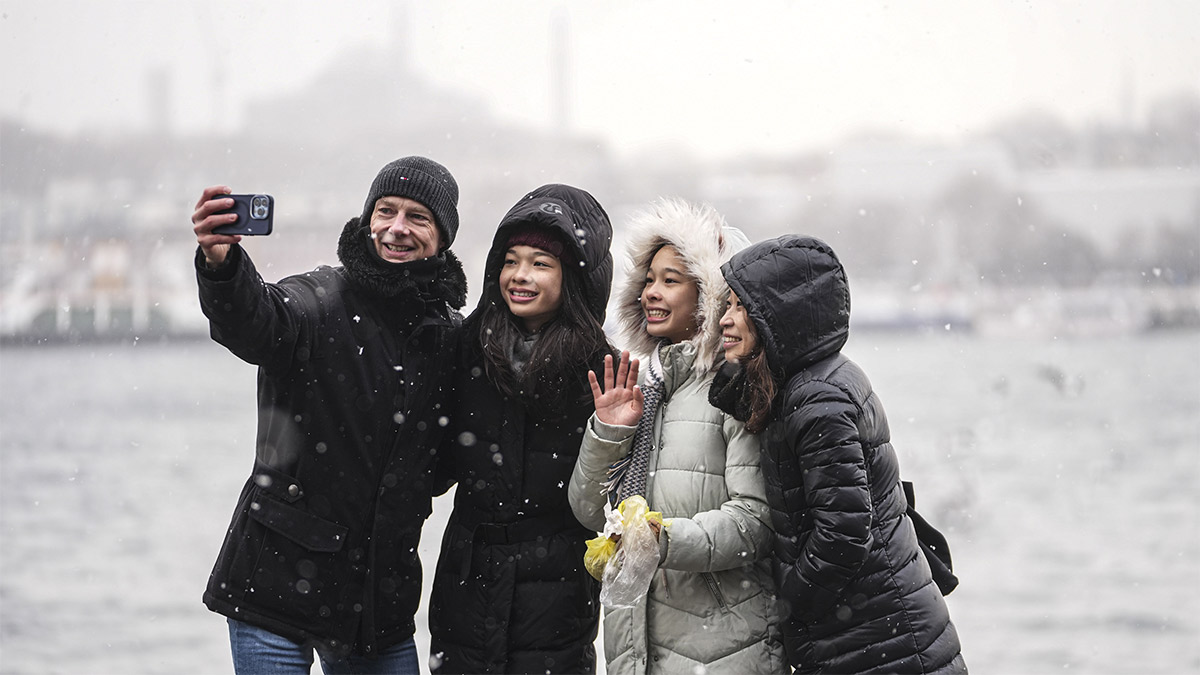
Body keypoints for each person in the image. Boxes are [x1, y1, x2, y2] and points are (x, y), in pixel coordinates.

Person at [190, 156, 468, 675]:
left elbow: (447, 460)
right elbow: (255, 320)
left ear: (443, 236)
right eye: (385, 211)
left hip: (377, 603)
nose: (397, 229)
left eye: (418, 217)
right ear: (367, 220)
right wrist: (222, 266)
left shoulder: (450, 337)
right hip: (271, 587)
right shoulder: (318, 299)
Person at [709, 234, 967, 674]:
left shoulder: (817, 400)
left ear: (779, 316)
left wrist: (789, 604)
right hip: (879, 632)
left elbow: (843, 536)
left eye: (739, 307)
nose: (724, 321)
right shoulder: (807, 381)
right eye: (726, 306)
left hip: (881, 642)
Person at [568, 199, 787, 675]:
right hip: (637, 650)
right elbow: (589, 512)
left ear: (710, 294)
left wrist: (661, 541)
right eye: (648, 279)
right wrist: (608, 431)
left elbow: (756, 523)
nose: (651, 292)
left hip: (726, 651)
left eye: (671, 280)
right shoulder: (644, 389)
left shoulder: (737, 389)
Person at [428, 184, 615, 674]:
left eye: (540, 263)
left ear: (572, 278)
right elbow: (432, 461)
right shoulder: (467, 346)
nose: (520, 276)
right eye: (510, 261)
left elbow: (607, 501)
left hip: (556, 589)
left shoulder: (601, 368)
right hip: (466, 579)